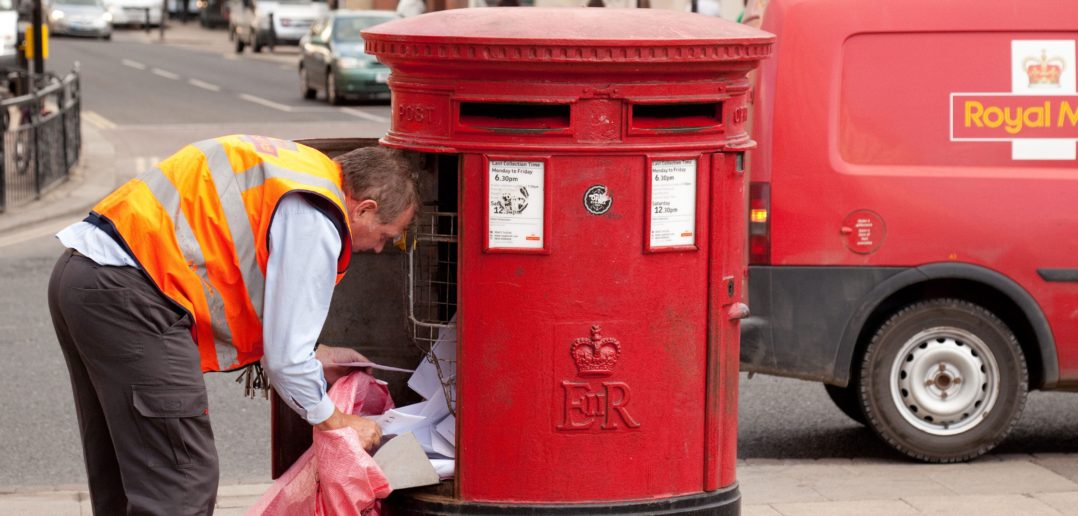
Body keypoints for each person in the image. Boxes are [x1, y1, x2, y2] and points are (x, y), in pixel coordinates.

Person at [46, 135, 419, 515]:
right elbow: (286, 361)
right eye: (385, 236)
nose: (376, 249)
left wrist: (314, 355)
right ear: (365, 209)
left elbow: (240, 273)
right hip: (131, 296)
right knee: (181, 482)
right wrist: (339, 422)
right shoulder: (319, 216)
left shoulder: (301, 172)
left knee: (127, 472)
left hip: (84, 275)